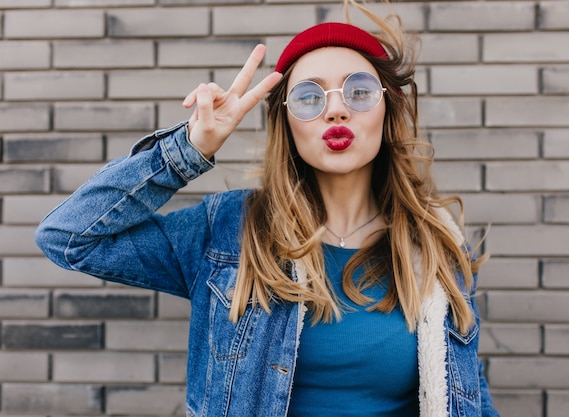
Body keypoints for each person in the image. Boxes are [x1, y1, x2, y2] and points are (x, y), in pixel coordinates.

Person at [35, 0, 499, 416]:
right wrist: (186, 151)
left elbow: (468, 394)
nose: (335, 112)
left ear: (386, 108)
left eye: (358, 91)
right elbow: (67, 236)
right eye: (309, 97)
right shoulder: (226, 233)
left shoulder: (435, 245)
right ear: (287, 123)